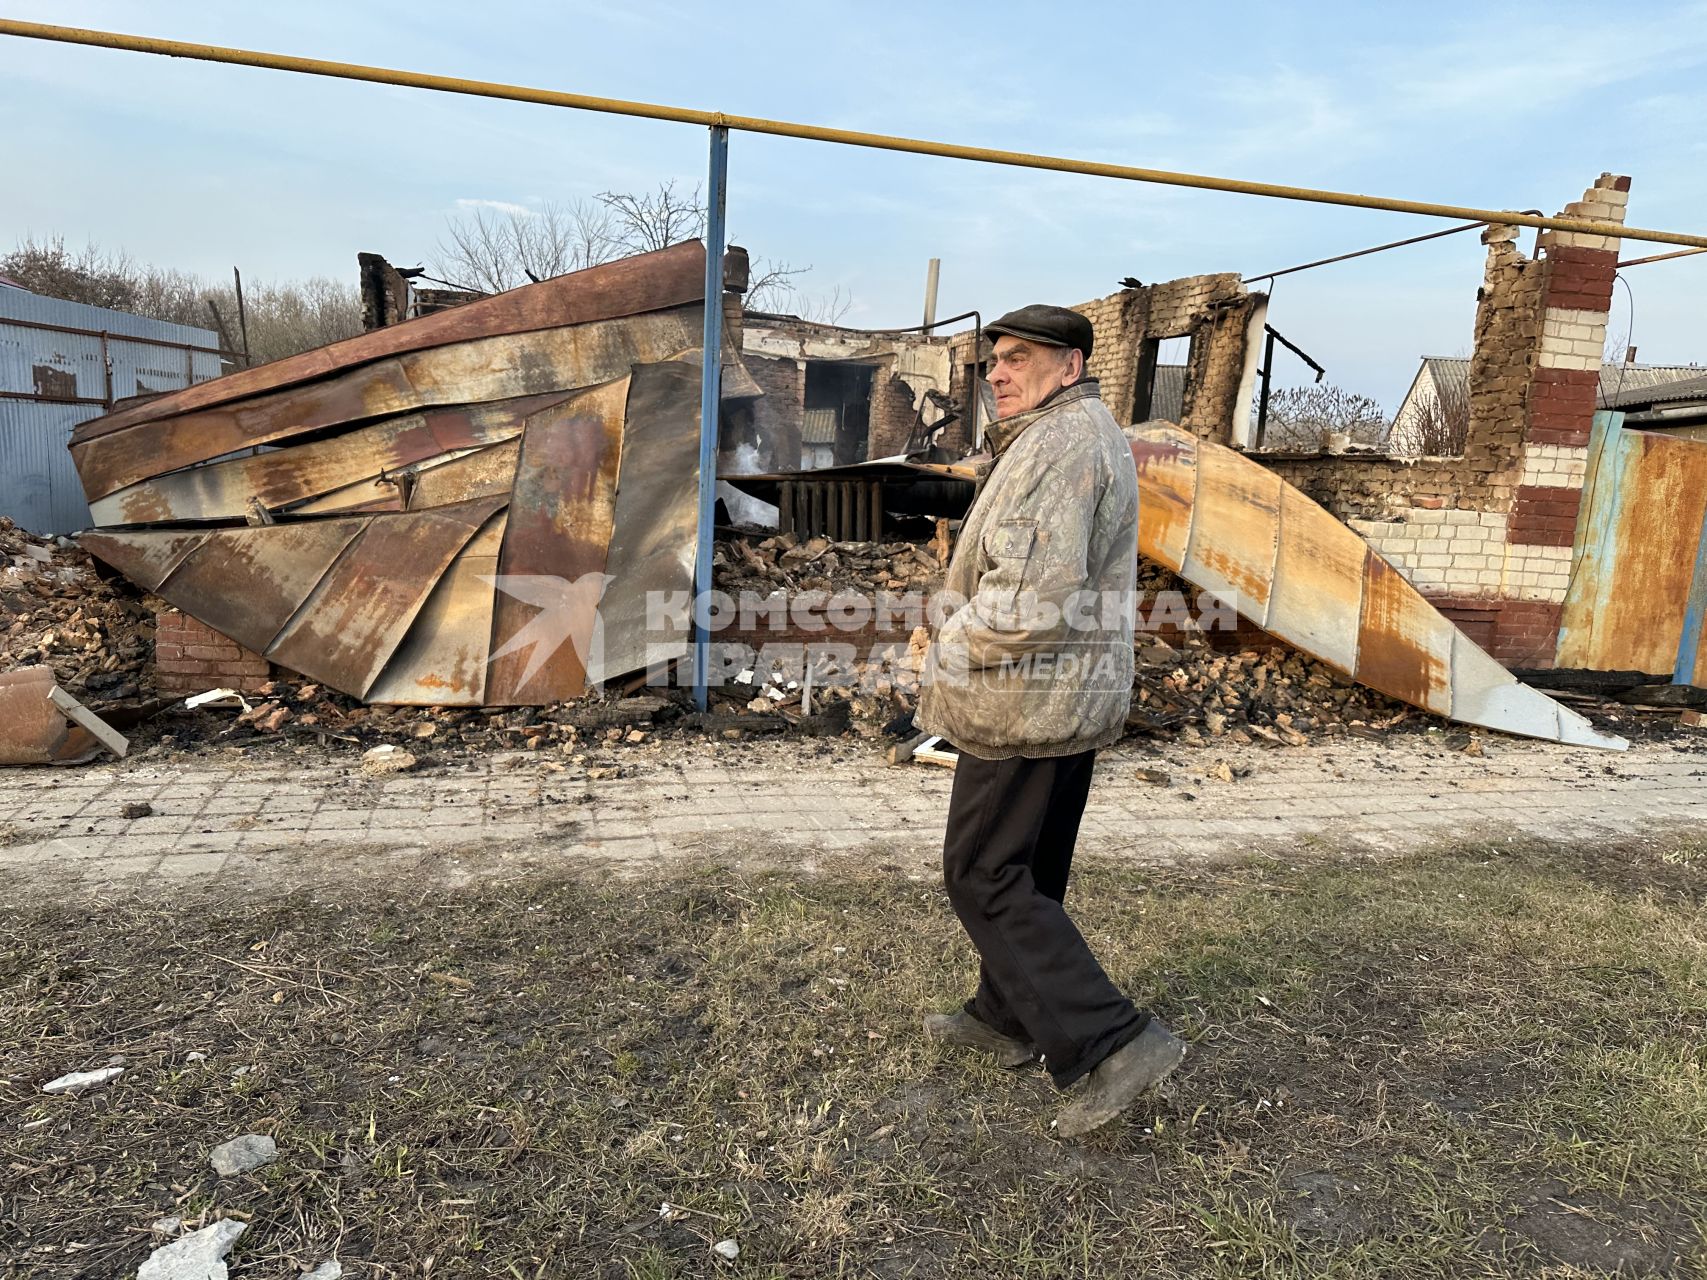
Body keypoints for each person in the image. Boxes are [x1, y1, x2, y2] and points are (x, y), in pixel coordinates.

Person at [915, 303, 1185, 1139]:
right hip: (1060, 695)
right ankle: (1009, 1015)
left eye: (1020, 359)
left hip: (1024, 696)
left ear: (1069, 367)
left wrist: (943, 643)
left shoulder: (1060, 444)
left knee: (982, 873)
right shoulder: (1069, 431)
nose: (999, 372)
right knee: (1024, 871)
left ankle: (1114, 1042)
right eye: (994, 359)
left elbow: (1028, 602)